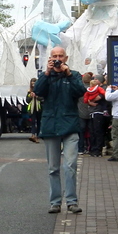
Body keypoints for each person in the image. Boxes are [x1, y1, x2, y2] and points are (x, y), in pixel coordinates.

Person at [33, 46, 87, 214]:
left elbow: (81, 92)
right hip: (50, 126)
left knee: (70, 164)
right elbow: (38, 92)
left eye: (60, 56)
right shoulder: (45, 76)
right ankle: (55, 202)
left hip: (70, 125)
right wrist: (47, 73)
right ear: (50, 58)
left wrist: (68, 73)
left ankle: (71, 201)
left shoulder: (74, 75)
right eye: (54, 56)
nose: (58, 59)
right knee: (53, 168)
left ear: (66, 58)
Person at [84, 75, 108, 157]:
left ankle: (98, 150)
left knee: (98, 131)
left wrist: (90, 100)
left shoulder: (103, 88)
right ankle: (93, 149)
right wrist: (89, 101)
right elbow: (86, 98)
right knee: (92, 131)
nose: (94, 80)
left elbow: (99, 97)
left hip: (99, 112)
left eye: (96, 79)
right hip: (92, 112)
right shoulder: (91, 89)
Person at [26, 77, 42, 143]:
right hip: (32, 109)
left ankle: (38, 135)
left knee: (39, 122)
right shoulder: (29, 91)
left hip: (38, 108)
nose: (33, 85)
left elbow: (42, 99)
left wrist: (37, 97)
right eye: (32, 84)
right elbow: (27, 101)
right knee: (33, 122)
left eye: (34, 83)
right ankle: (33, 135)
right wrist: (30, 96)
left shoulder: (39, 90)